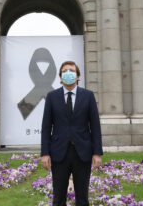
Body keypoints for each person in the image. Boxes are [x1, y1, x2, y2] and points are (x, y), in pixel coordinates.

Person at [41, 61, 103, 206]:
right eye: (64, 71)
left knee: (82, 199)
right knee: (58, 199)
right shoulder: (52, 96)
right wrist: (45, 153)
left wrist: (97, 153)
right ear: (60, 77)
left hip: (82, 153)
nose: (68, 73)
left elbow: (95, 126)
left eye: (71, 70)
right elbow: (46, 127)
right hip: (59, 153)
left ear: (78, 76)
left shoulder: (88, 96)